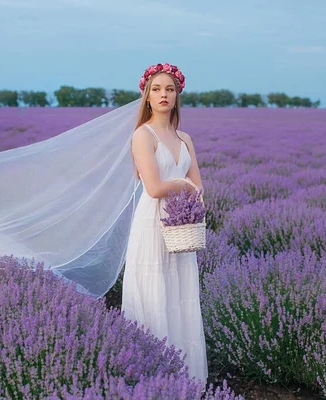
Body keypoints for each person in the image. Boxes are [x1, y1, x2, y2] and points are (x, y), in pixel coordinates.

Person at [121, 63, 209, 388]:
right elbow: (155, 188)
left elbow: (199, 184)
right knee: (154, 292)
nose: (163, 95)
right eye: (157, 89)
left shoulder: (184, 137)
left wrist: (192, 196)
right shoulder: (143, 135)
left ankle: (184, 380)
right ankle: (151, 379)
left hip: (180, 225)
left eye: (169, 90)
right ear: (146, 95)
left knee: (180, 292)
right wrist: (184, 187)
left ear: (177, 96)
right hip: (152, 223)